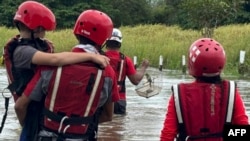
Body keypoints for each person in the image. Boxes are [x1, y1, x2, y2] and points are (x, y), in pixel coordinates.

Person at [3, 1, 109, 141]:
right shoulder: (23, 52)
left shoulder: (25, 46)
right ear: (37, 28)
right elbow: (55, 60)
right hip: (30, 111)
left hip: (34, 107)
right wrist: (91, 56)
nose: (45, 34)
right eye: (44, 30)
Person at [160, 38, 249, 141]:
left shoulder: (179, 94)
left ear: (192, 63)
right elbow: (243, 130)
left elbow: (167, 134)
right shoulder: (231, 92)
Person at [104, 28, 149, 115]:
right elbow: (135, 80)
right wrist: (143, 67)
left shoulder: (98, 57)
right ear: (120, 43)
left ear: (106, 42)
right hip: (119, 100)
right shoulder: (125, 60)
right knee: (119, 126)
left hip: (102, 99)